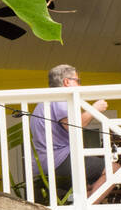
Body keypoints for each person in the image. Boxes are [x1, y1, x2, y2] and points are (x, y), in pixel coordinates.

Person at [30, 64, 115, 200]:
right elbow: (74, 126)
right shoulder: (60, 98)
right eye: (78, 81)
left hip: (47, 163)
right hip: (58, 161)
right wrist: (95, 109)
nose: (80, 85)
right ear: (66, 82)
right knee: (114, 169)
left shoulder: (46, 100)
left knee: (90, 182)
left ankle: (81, 207)